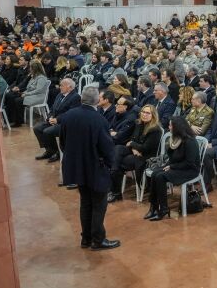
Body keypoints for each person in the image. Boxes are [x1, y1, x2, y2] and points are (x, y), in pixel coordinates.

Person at [58, 86, 118, 250]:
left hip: (76, 167)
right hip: (95, 167)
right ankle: (98, 240)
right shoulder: (99, 120)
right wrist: (110, 165)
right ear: (97, 101)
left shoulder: (69, 115)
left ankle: (86, 238)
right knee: (99, 205)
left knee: (85, 203)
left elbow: (62, 142)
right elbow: (107, 148)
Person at [145, 117, 201, 221]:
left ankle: (164, 209)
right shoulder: (175, 139)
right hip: (177, 166)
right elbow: (172, 158)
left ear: (178, 127)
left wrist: (171, 167)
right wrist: (169, 165)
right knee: (155, 173)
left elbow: (190, 163)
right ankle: (154, 207)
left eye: (171, 125)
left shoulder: (190, 141)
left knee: (160, 176)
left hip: (190, 170)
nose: (169, 127)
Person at [109, 105, 162, 202]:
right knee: (118, 148)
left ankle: (115, 192)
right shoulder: (138, 123)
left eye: (148, 113)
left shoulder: (155, 129)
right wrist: (134, 148)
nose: (144, 114)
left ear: (153, 115)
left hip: (146, 156)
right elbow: (132, 139)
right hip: (135, 151)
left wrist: (133, 144)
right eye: (143, 112)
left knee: (120, 162)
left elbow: (145, 148)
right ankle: (114, 177)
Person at [34, 78, 80, 163]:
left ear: (70, 87)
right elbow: (52, 108)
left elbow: (71, 114)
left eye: (62, 85)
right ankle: (49, 151)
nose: (60, 87)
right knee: (37, 128)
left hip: (66, 124)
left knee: (47, 131)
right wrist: (50, 117)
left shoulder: (76, 97)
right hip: (54, 120)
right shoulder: (59, 95)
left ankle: (57, 153)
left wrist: (57, 120)